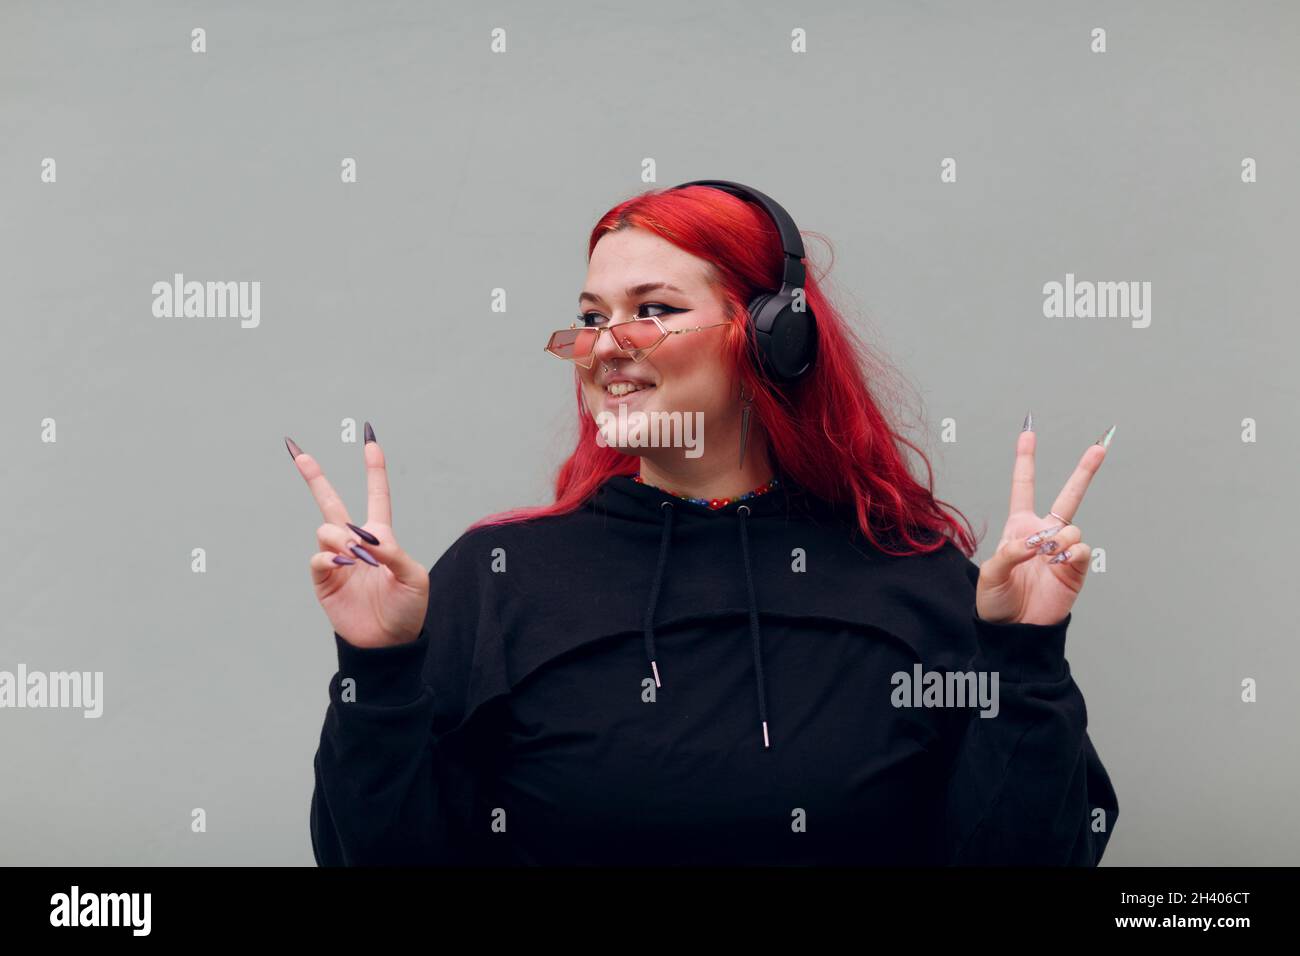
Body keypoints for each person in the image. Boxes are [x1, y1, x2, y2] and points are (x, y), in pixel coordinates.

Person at [294, 180, 1119, 866]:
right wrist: (377, 671)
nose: (605, 345)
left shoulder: (912, 578)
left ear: (770, 337)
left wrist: (1024, 658)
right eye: (589, 318)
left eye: (650, 308)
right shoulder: (497, 578)